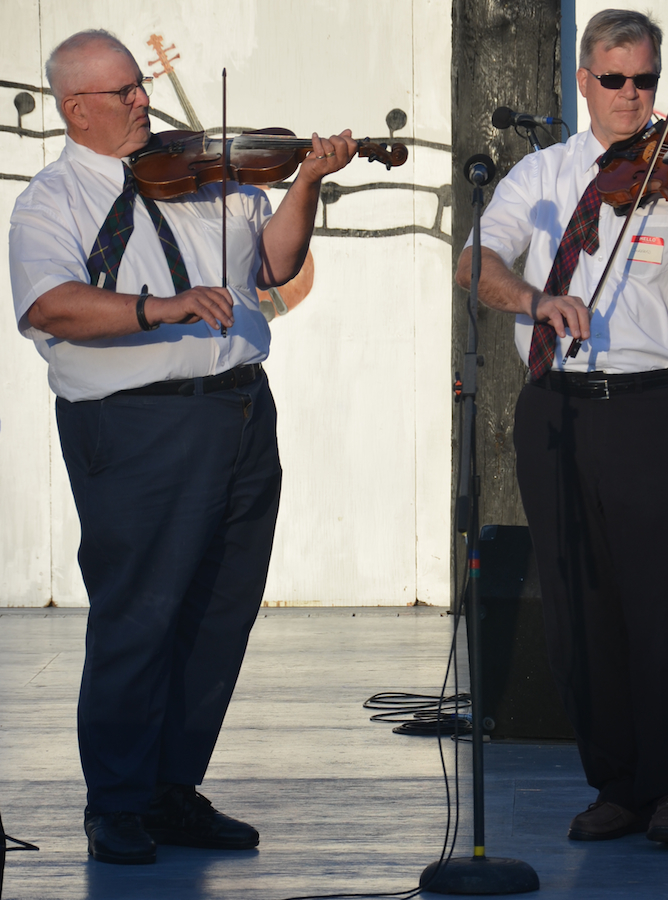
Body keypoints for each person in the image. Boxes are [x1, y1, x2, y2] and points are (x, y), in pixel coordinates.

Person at [9, 29, 357, 865]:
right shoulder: (51, 200)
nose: (143, 101)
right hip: (135, 427)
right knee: (141, 615)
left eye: (141, 87)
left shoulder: (210, 178)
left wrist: (306, 180)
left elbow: (274, 266)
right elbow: (51, 306)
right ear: (75, 109)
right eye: (123, 92)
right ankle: (117, 805)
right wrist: (155, 309)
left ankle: (172, 790)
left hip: (238, 412)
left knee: (216, 613)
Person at [457, 9, 668, 846]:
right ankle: (616, 784)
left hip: (652, 405)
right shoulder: (543, 174)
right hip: (556, 405)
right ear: (585, 82)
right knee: (576, 605)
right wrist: (533, 300)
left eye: (647, 81)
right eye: (617, 80)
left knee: (660, 603)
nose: (634, 97)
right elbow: (474, 262)